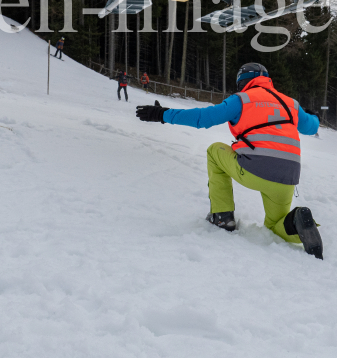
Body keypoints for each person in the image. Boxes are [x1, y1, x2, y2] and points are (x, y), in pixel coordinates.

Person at [135, 62, 323, 259]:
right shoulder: (290, 103)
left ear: (242, 82)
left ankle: (222, 217)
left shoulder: (242, 99)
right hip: (287, 177)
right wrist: (313, 116)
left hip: (254, 169)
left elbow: (203, 118)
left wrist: (162, 114)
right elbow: (311, 127)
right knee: (275, 225)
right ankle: (297, 223)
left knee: (214, 151)